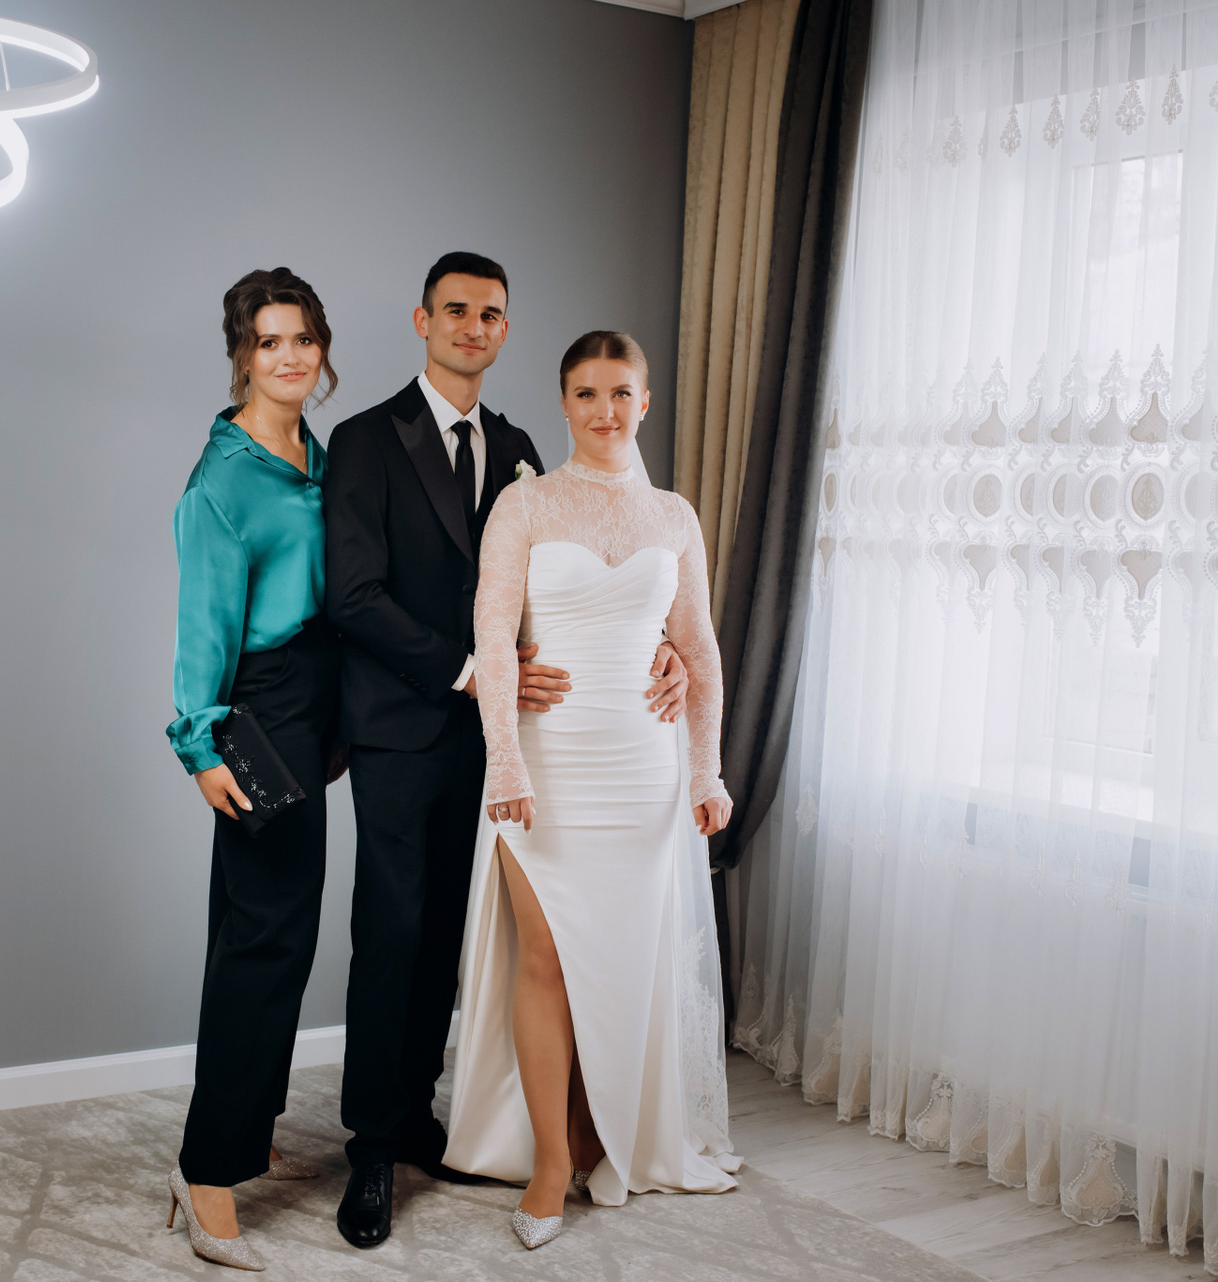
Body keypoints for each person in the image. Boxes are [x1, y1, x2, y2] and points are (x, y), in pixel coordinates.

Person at [324, 254, 692, 1248]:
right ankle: (371, 1146)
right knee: (392, 932)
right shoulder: (365, 440)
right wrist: (470, 672)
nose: (473, 327)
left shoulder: (523, 448)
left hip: (512, 741)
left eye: (490, 314)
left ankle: (419, 1113)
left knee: (458, 936)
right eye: (456, 311)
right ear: (423, 321)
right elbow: (353, 594)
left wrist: (655, 642)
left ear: (503, 329)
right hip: (405, 726)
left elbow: (563, 589)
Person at [443, 331, 740, 1250]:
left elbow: (698, 648)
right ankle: (547, 1164)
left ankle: (600, 1132)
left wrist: (706, 769)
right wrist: (506, 762)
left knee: (622, 959)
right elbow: (494, 640)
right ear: (565, 402)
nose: (604, 411)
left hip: (644, 768)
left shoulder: (675, 517)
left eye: (620, 393)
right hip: (550, 761)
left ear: (644, 402)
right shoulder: (524, 504)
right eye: (586, 393)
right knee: (544, 959)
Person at [163, 268, 340, 1272]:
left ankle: (247, 1122)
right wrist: (201, 745)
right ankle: (207, 1170)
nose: (289, 357)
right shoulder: (222, 481)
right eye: (270, 341)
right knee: (263, 940)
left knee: (272, 927)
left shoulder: (311, 451)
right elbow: (203, 623)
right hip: (258, 709)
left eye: (303, 338)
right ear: (242, 354)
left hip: (316, 699)